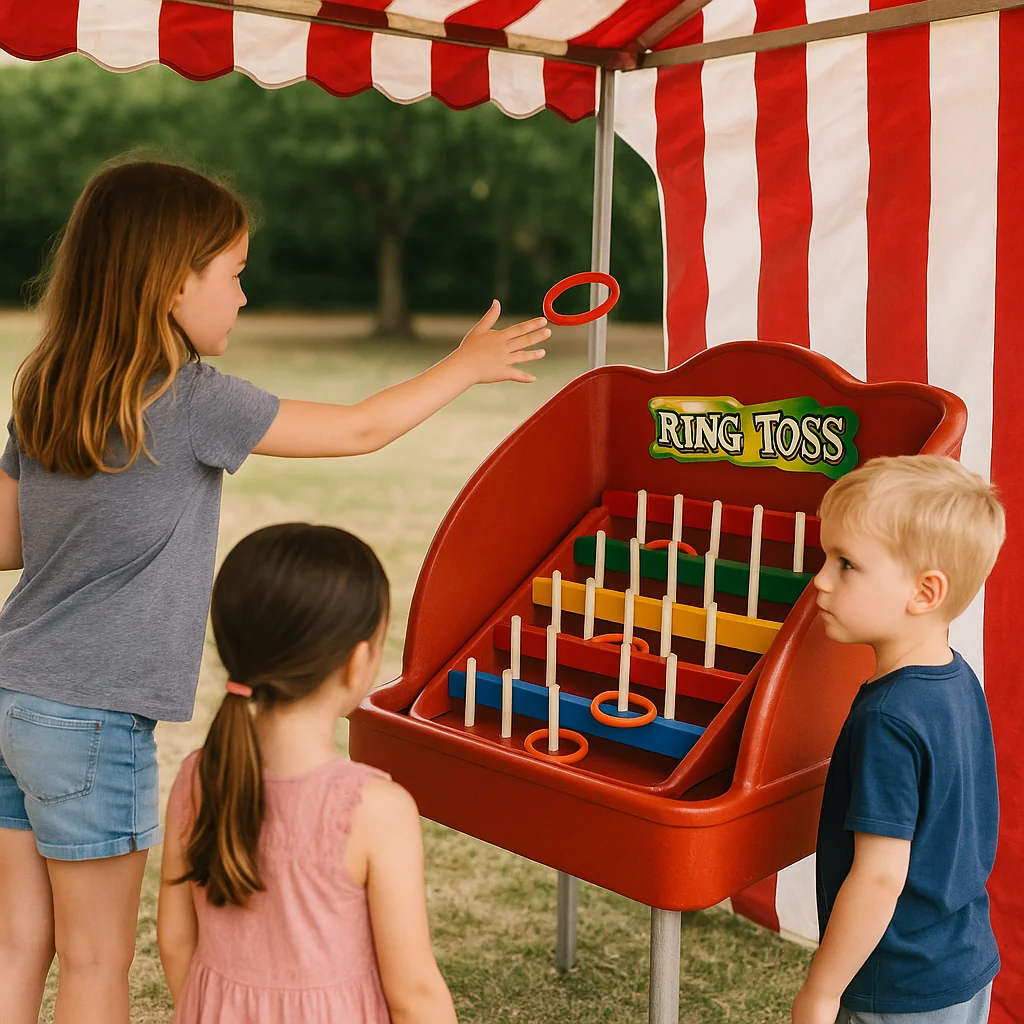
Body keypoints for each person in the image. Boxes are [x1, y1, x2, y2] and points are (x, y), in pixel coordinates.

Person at [0, 159, 547, 1024]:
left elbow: (7, 540)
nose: (244, 299)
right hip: (92, 717)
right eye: (236, 275)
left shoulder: (49, 386)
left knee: (16, 946)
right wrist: (464, 367)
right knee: (97, 960)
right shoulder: (189, 400)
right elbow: (360, 427)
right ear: (175, 282)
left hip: (13, 695)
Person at [157, 523, 455, 1023]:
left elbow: (175, 940)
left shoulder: (196, 776)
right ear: (357, 661)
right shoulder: (376, 809)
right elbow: (415, 993)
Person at [792, 455, 1004, 1024]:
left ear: (924, 591)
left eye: (845, 564)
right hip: (962, 959)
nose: (820, 579)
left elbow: (880, 874)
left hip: (900, 980)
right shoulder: (957, 678)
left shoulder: (888, 716)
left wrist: (822, 990)